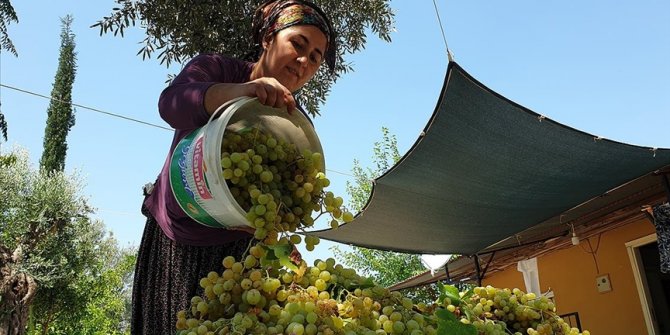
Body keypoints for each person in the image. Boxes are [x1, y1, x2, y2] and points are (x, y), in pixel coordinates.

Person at [131, 1, 337, 333]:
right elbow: (171, 105)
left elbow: (276, 198)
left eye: (314, 57)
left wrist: (278, 237)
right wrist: (241, 92)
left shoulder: (294, 124)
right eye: (298, 44)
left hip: (233, 260)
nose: (303, 61)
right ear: (269, 38)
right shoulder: (216, 69)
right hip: (175, 241)